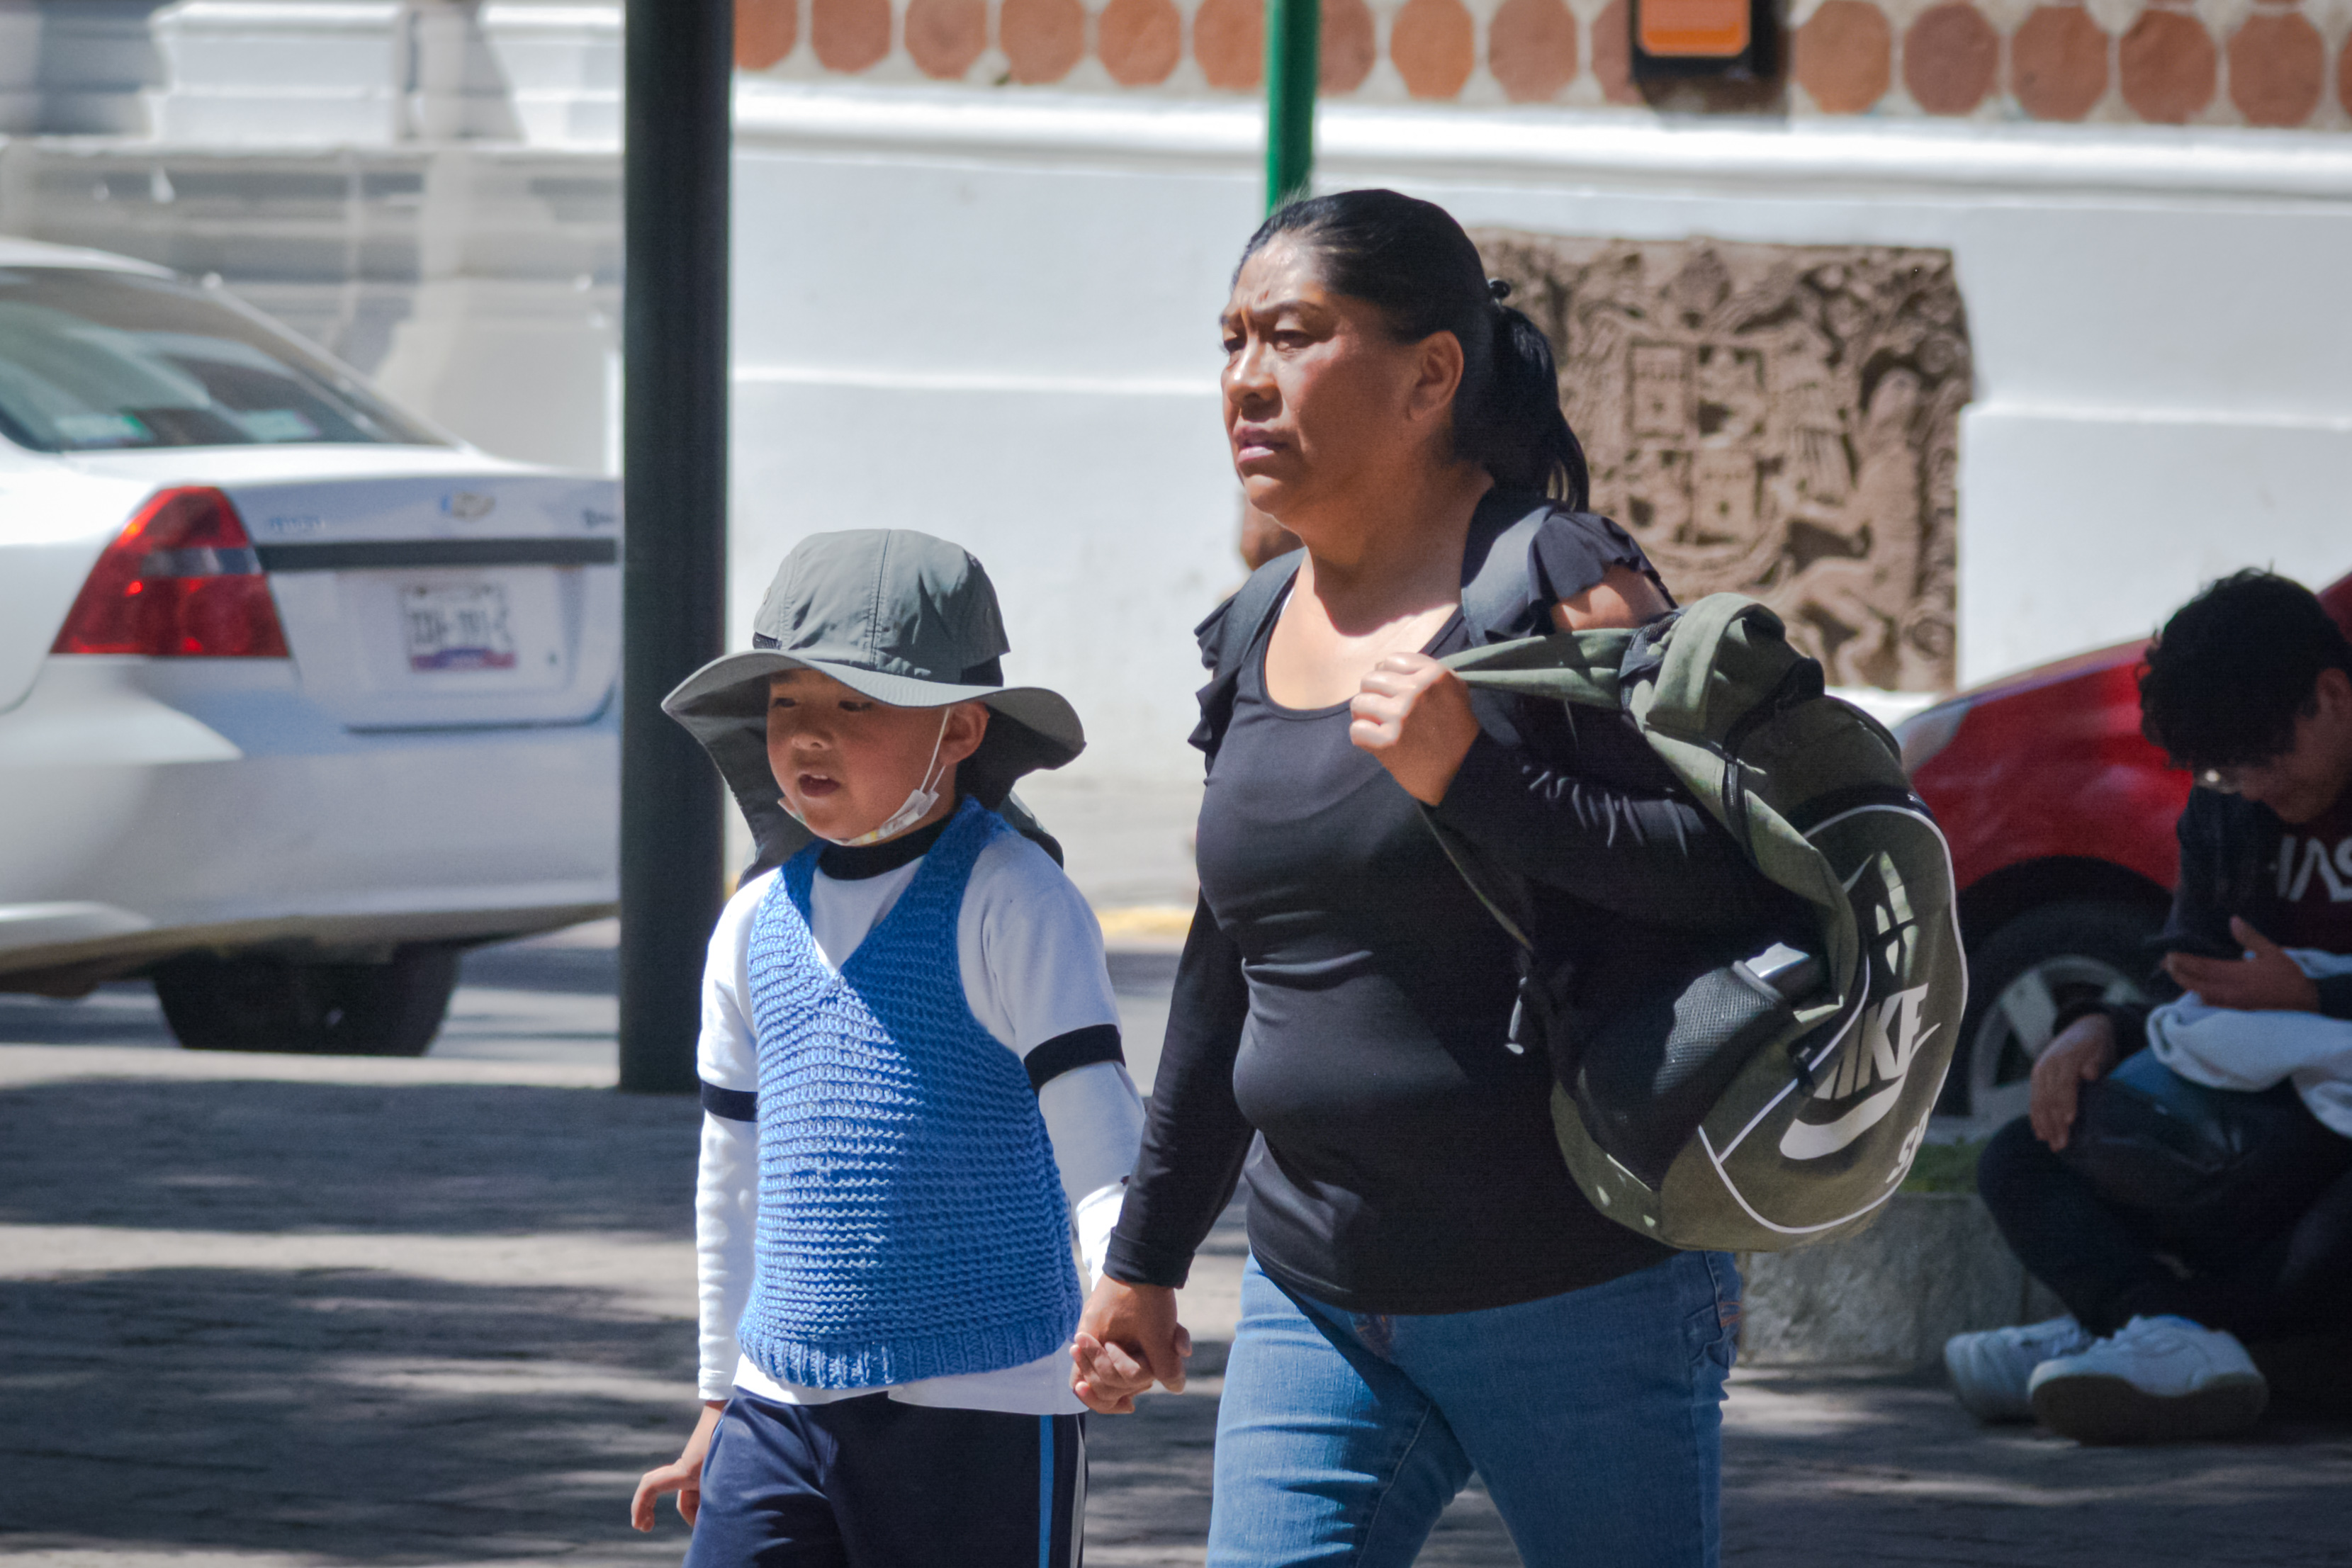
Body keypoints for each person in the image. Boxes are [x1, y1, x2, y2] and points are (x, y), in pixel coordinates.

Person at [1067, 189, 1800, 1567]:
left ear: (1431, 373)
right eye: (1229, 341)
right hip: (1320, 1295)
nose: (1244, 378)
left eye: (1292, 336)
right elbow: (1233, 965)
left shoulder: (1558, 582)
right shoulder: (1251, 628)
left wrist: (1477, 775)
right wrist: (1147, 1255)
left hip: (1577, 1284)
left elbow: (1729, 878)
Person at [630, 530, 1145, 1566]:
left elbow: (1094, 1119)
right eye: (786, 705)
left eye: (853, 706)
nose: (808, 737)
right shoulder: (752, 921)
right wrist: (717, 1398)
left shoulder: (1014, 899)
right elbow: (731, 1172)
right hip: (777, 1409)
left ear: (957, 730)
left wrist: (1125, 1287)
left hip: (984, 1404)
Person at [1947, 570, 2352, 1441]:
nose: (2249, 788)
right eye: (2225, 770)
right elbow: (2191, 973)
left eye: (2262, 759)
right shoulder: (2226, 806)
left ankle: (2144, 1326)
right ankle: (2159, 1329)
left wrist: (2316, 992)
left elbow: (2270, 989)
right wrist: (2095, 1026)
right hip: (2250, 1125)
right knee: (2022, 1153)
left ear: (2330, 697)